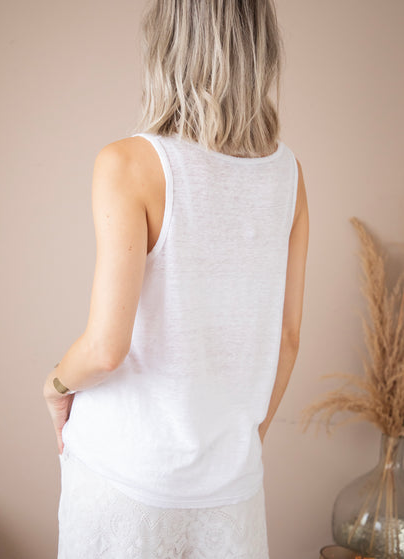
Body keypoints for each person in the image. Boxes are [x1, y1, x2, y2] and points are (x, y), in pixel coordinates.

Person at [43, 0, 309, 557]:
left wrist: (56, 385)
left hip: (124, 480)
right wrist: (240, 447)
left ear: (166, 44)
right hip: (233, 489)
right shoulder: (289, 175)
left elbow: (105, 350)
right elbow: (286, 339)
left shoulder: (128, 163)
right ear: (261, 49)